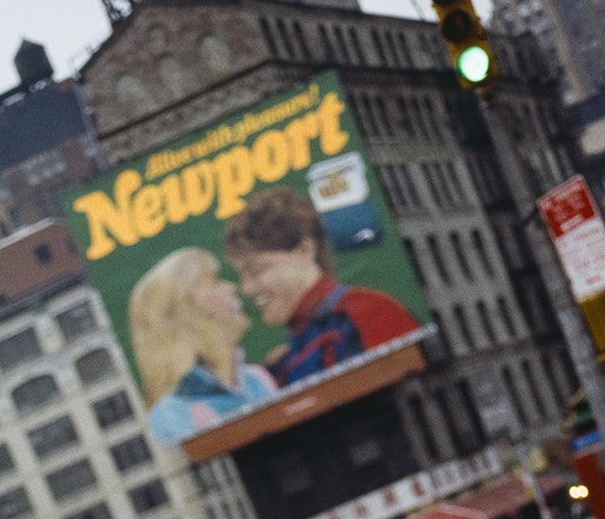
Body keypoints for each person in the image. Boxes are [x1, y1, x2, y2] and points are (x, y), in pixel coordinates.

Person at [222, 188, 420, 387]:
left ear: (305, 249)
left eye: (257, 270)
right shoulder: (288, 355)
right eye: (242, 275)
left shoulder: (371, 314)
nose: (247, 288)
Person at [127, 249, 276, 443]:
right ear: (185, 313)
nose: (231, 287)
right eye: (215, 283)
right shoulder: (169, 414)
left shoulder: (257, 379)